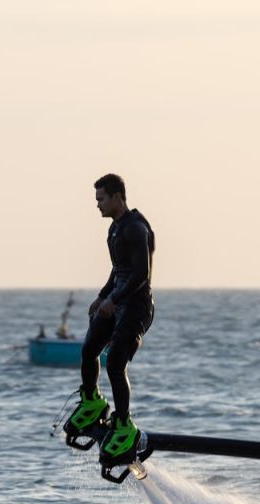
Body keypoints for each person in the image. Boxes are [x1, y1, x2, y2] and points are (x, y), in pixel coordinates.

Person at [64, 173, 155, 462]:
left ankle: (124, 423)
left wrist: (114, 300)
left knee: (115, 361)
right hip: (115, 303)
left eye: (101, 199)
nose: (98, 205)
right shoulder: (114, 229)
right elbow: (118, 270)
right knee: (89, 350)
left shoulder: (136, 228)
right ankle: (92, 402)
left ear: (117, 197)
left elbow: (141, 274)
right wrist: (103, 296)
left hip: (136, 308)